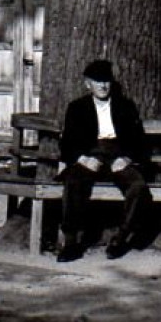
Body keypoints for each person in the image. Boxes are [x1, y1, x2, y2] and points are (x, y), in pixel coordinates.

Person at [55, 59, 152, 262]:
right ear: (87, 84)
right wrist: (82, 159)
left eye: (106, 81)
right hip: (90, 156)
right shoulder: (77, 108)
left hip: (117, 157)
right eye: (97, 81)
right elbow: (67, 144)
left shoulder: (125, 106)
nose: (103, 86)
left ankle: (120, 238)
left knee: (138, 186)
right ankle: (70, 242)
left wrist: (126, 159)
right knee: (72, 182)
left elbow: (140, 141)